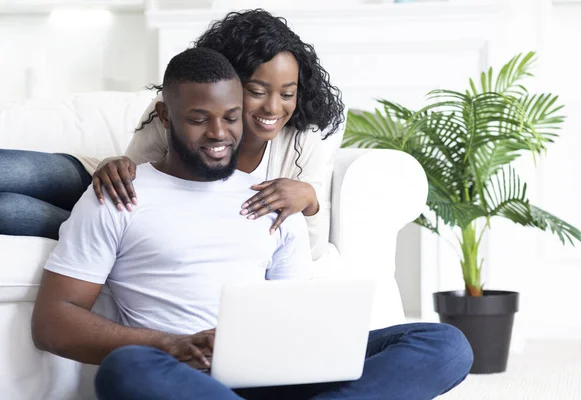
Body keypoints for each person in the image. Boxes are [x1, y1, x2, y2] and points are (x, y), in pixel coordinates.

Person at [32, 47, 472, 400]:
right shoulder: (120, 194)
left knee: (444, 345)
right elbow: (53, 322)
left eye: (230, 117)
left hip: (276, 372)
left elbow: (295, 312)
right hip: (183, 373)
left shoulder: (272, 198)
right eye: (198, 119)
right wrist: (168, 344)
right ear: (166, 116)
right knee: (126, 370)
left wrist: (310, 345)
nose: (219, 133)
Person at [0, 9, 345, 261]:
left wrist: (310, 201)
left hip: (130, 224)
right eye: (257, 90)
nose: (273, 108)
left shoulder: (301, 143)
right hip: (104, 187)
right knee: (11, 170)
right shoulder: (177, 113)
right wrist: (114, 166)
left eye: (287, 94)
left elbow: (310, 254)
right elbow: (132, 176)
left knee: (9, 210)